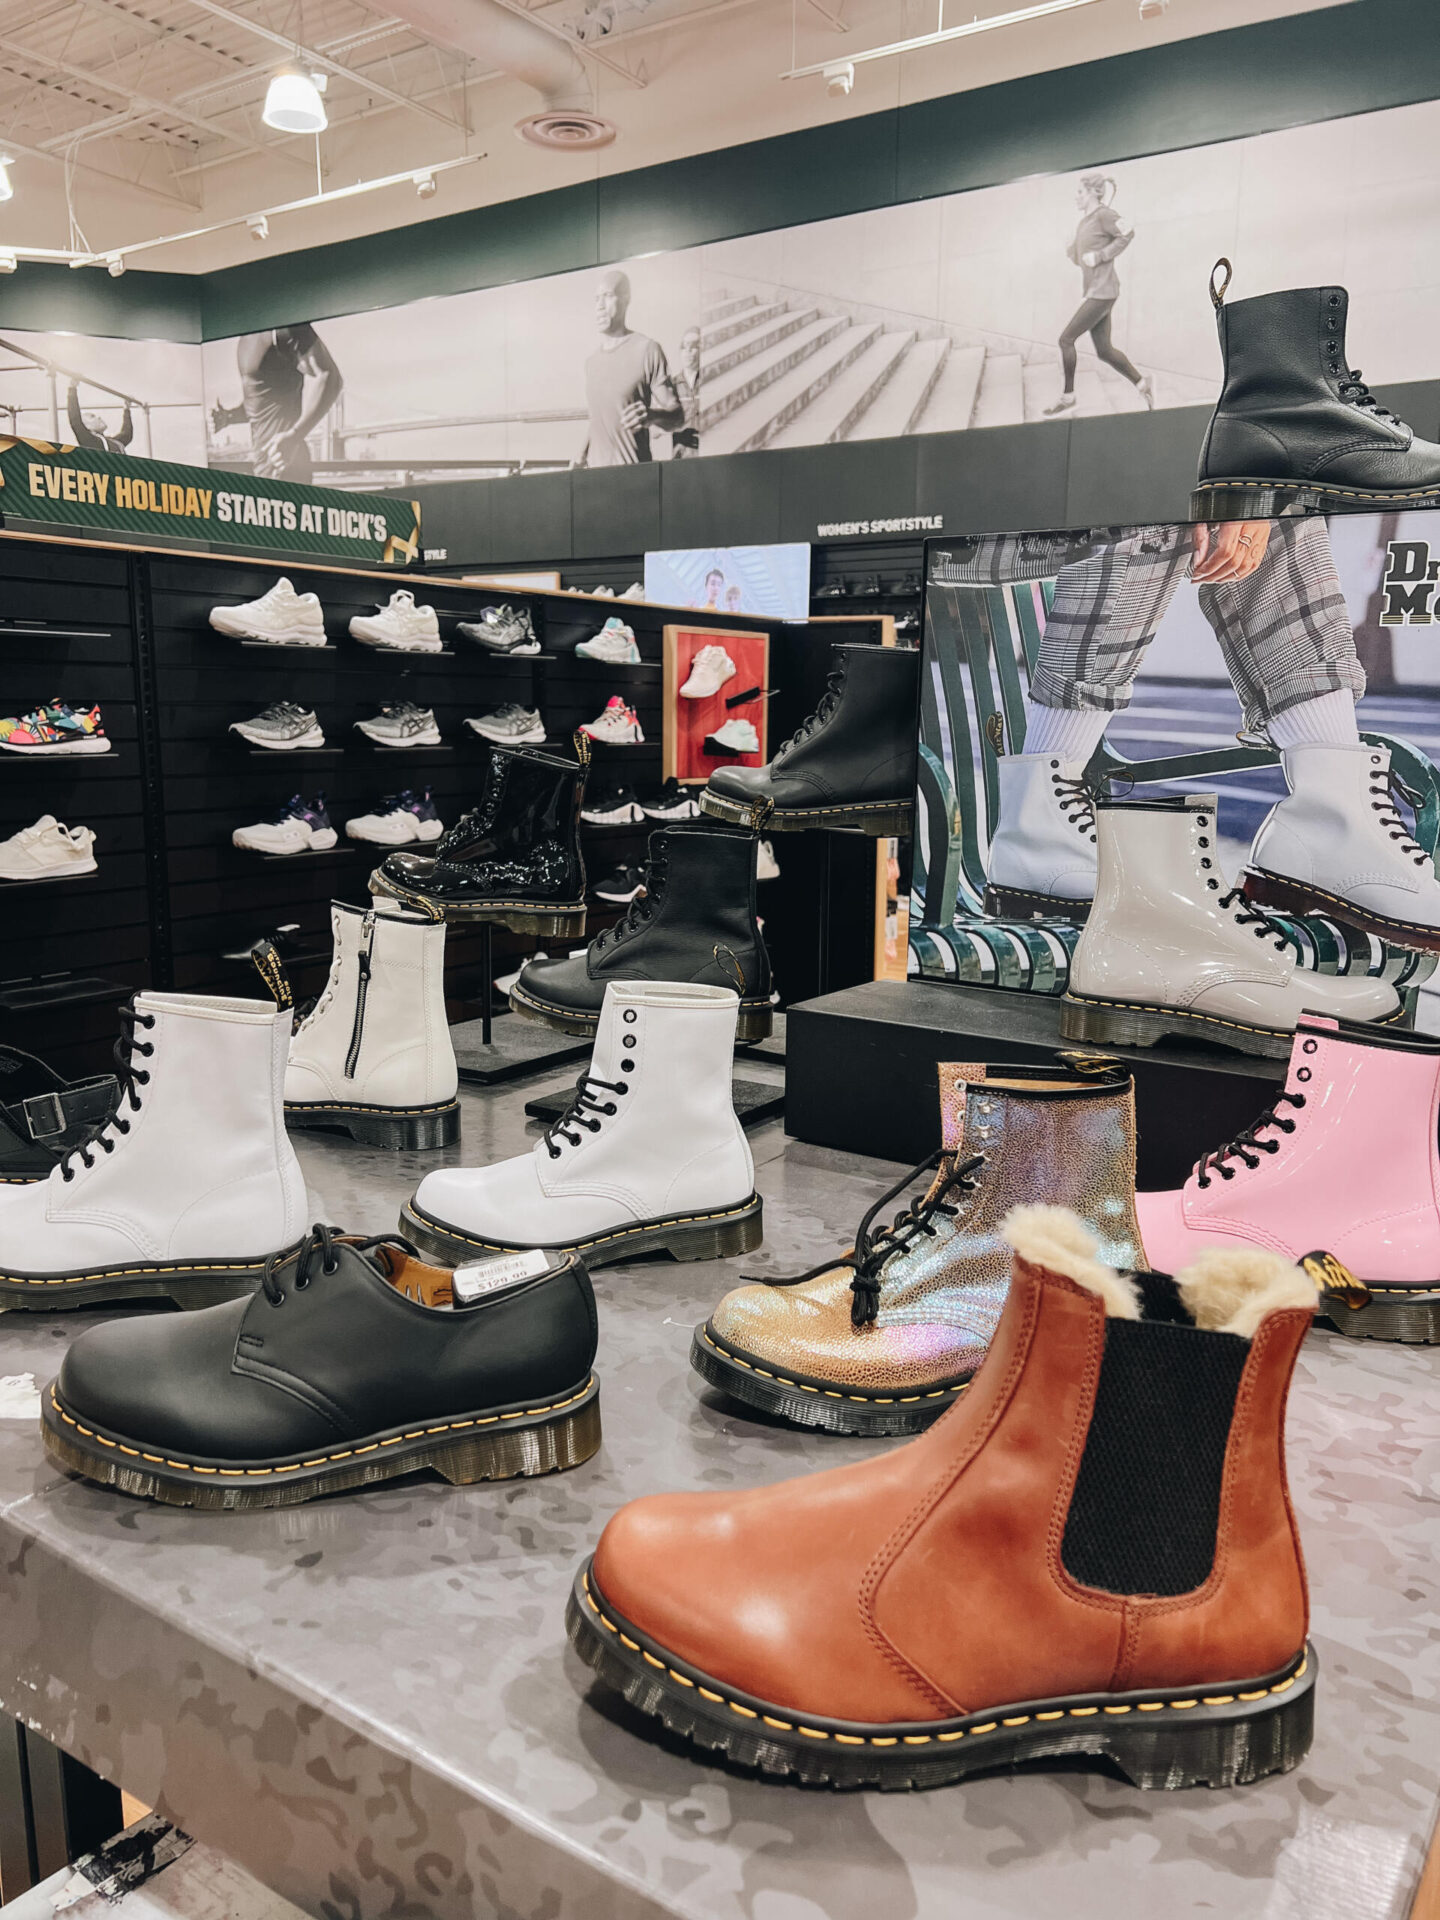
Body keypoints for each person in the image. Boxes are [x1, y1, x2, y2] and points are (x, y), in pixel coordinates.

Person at [1044, 175, 1153, 417]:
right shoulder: (1084, 223)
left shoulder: (1105, 215)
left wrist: (1102, 255)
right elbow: (1082, 261)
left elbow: (1128, 233)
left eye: (1080, 192)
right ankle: (1142, 384)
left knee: (1066, 340)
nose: (1076, 197)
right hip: (1097, 291)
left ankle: (1068, 397)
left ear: (1094, 193)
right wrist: (1070, 248)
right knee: (1104, 350)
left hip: (1103, 292)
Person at [209, 325, 343, 482]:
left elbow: (331, 377)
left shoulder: (283, 326)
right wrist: (229, 417)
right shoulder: (245, 336)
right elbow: (262, 403)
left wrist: (294, 436)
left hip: (286, 466)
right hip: (263, 466)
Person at [578, 271, 684, 468]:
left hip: (634, 476)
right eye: (596, 299)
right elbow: (598, 419)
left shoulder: (647, 349)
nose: (600, 306)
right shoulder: (591, 363)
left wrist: (652, 416)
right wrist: (582, 454)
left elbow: (678, 417)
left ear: (626, 299)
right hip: (596, 477)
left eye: (608, 296)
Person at [66, 382, 133, 454]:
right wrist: (72, 388)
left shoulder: (112, 442)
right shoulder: (90, 442)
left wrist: (126, 409)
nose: (98, 417)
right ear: (87, 427)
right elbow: (75, 420)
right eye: (92, 417)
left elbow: (127, 434)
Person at [671, 325, 701, 458]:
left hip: (709, 454)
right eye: (684, 346)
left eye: (694, 346)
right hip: (681, 457)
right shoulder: (671, 386)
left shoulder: (711, 382)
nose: (688, 350)